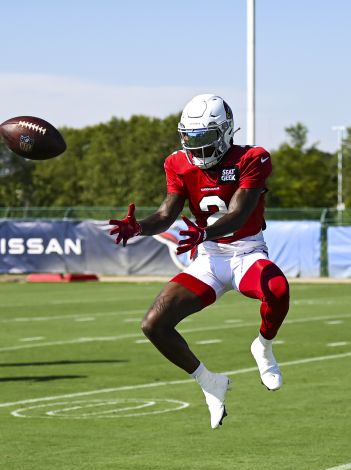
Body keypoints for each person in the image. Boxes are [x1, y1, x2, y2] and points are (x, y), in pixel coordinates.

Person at [107, 93, 290, 429]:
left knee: (277, 290)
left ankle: (263, 347)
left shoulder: (252, 158)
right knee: (153, 325)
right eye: (192, 138)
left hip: (245, 253)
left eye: (205, 137)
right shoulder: (177, 163)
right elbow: (166, 214)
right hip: (209, 260)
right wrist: (139, 227)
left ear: (224, 132)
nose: (198, 147)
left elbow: (238, 214)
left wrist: (205, 233)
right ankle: (210, 382)